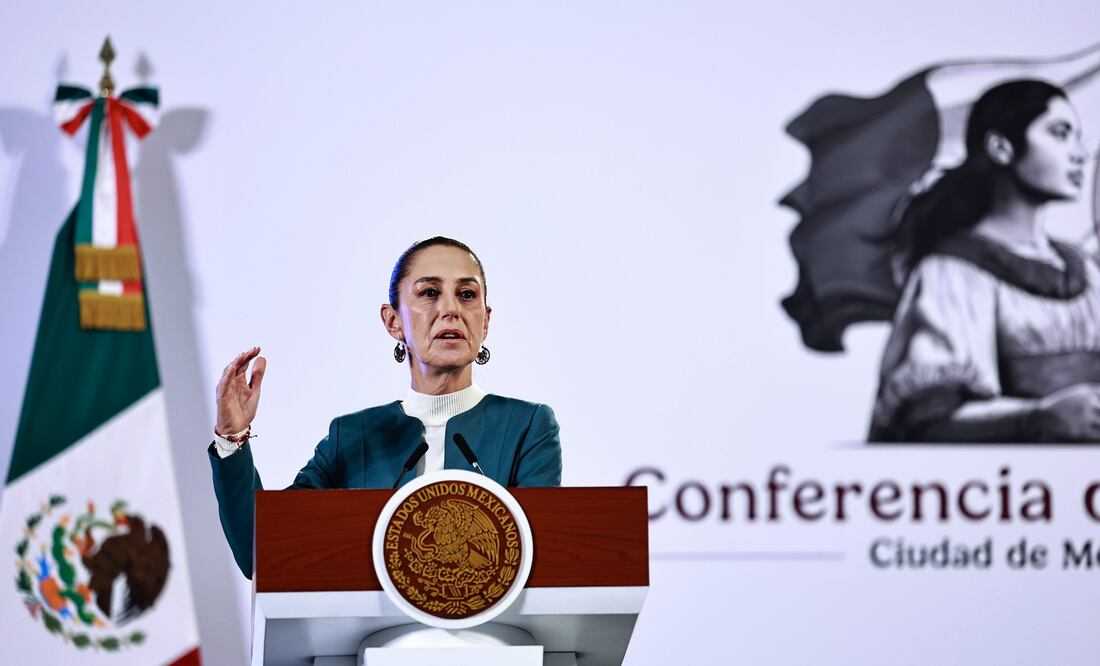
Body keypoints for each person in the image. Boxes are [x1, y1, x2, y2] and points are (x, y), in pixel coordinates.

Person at [208, 237, 562, 577]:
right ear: (393, 321)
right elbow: (261, 551)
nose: (451, 309)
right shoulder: (352, 437)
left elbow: (538, 557)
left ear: (485, 321)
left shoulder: (528, 427)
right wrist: (232, 436)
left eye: (467, 295)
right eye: (430, 293)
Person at [870, 79, 1100, 443]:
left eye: (1077, 137)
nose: (1080, 154)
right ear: (1000, 147)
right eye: (1059, 134)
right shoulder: (953, 272)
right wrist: (1038, 418)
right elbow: (928, 418)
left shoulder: (1086, 270)